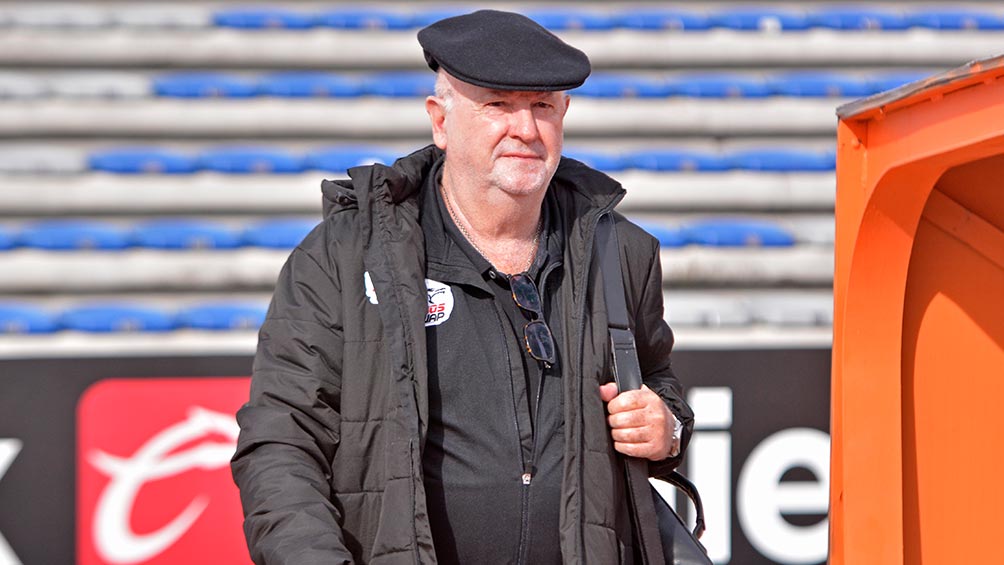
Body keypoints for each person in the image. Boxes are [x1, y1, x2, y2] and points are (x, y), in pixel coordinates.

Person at [231, 9, 694, 565]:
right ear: (440, 121)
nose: (525, 129)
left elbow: (658, 382)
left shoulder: (621, 251)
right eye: (497, 104)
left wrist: (665, 428)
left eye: (542, 106)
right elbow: (281, 443)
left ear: (564, 115)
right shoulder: (343, 253)